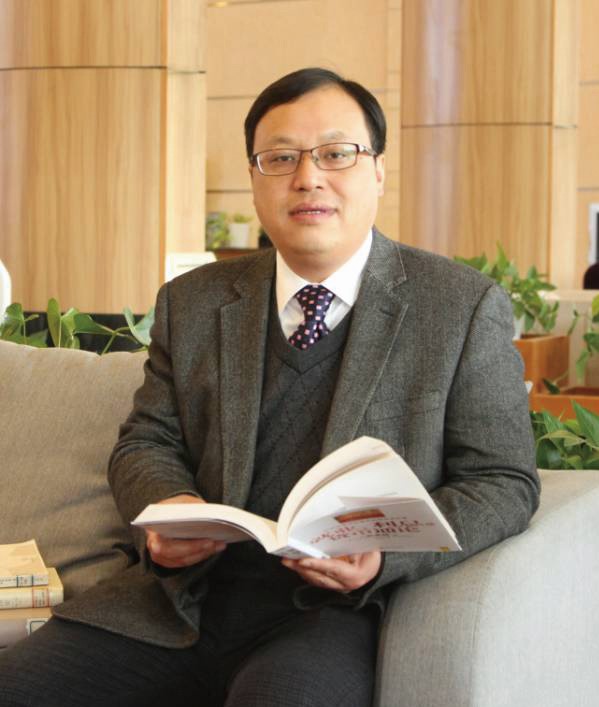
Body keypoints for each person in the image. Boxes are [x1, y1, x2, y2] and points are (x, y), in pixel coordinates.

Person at [0, 67, 540, 707]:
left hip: (330, 614)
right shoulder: (193, 302)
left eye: (336, 154)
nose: (308, 177)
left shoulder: (458, 306)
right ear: (255, 179)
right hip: (177, 602)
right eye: (280, 158)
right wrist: (168, 505)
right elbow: (147, 440)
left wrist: (383, 556)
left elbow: (502, 480)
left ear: (377, 171)